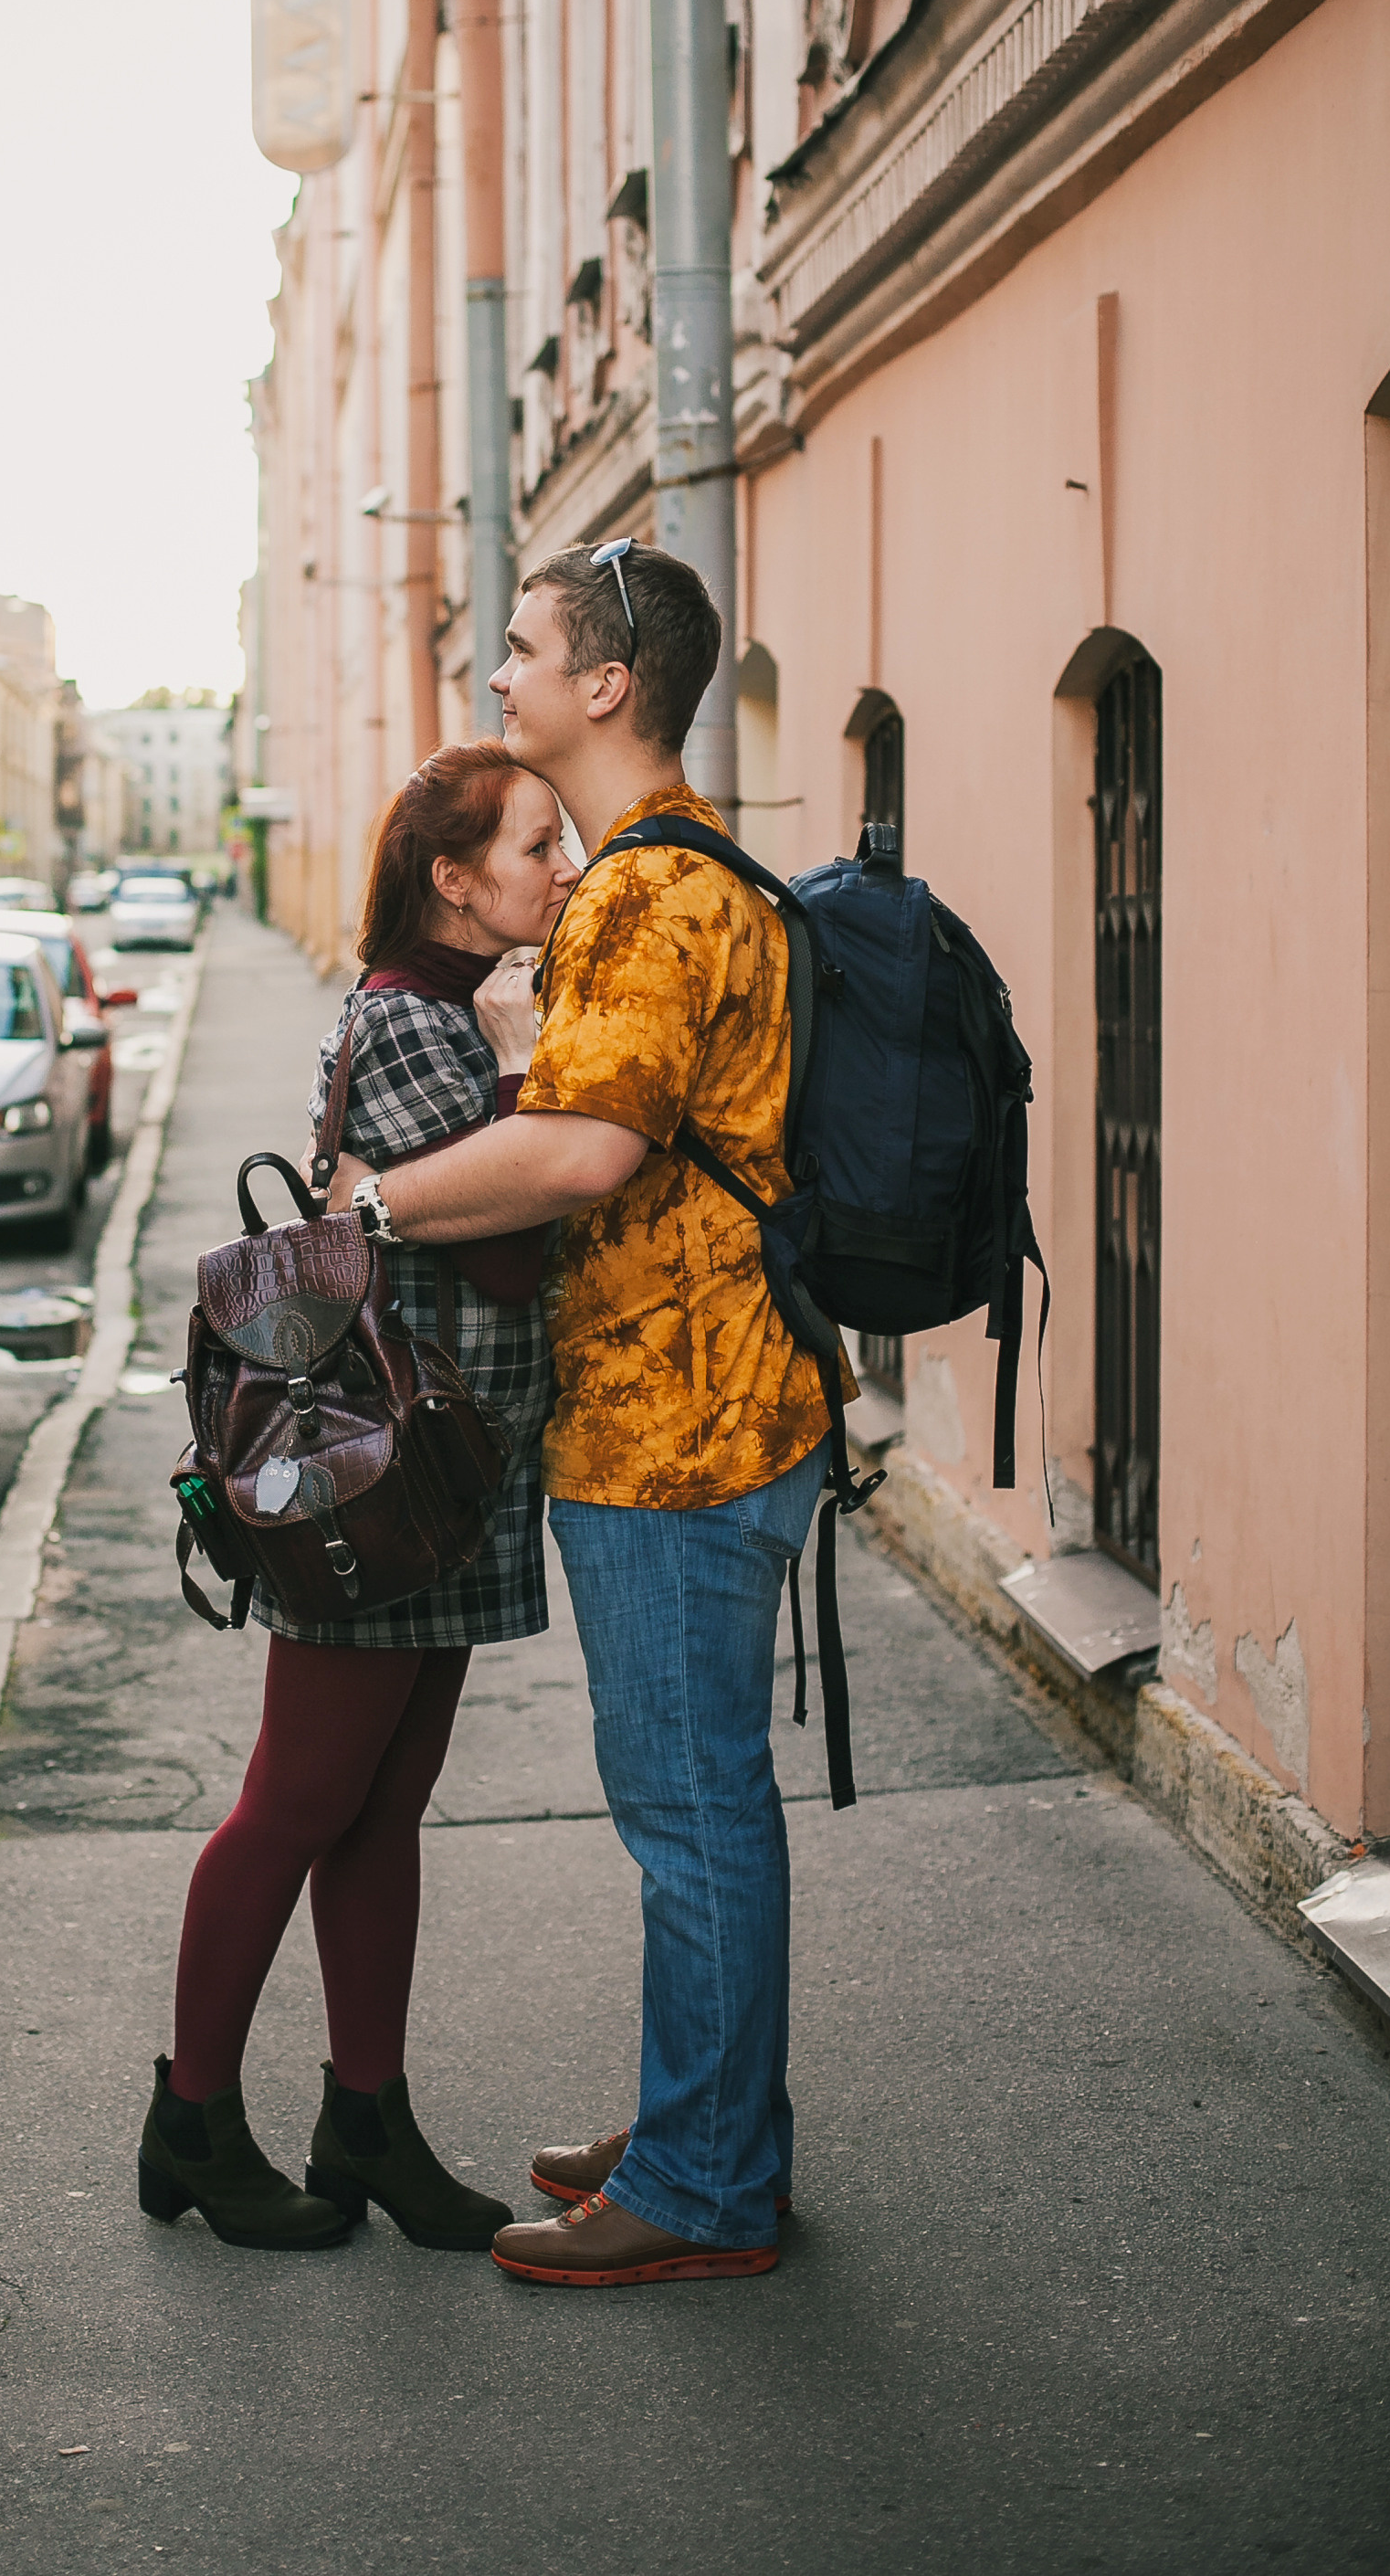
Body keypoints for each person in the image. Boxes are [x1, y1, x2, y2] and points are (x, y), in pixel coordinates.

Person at [324, 543, 843, 2286]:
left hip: (676, 1426)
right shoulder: (688, 876)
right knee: (694, 1802)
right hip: (701, 1407)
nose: (497, 678)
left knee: (689, 1809)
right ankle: (708, 2127)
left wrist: (366, 1212)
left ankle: (702, 2195)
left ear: (605, 685)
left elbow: (587, 1150)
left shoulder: (641, 894)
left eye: (524, 650)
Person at [140, 743, 574, 2254]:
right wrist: (523, 1071)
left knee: (380, 1813)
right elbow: (513, 1249)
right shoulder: (413, 1024)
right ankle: (190, 2118)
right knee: (293, 1806)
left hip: (448, 1477)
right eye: (535, 849)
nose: (562, 871)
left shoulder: (461, 1009)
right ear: (454, 880)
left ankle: (365, 2120)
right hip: (375, 1479)